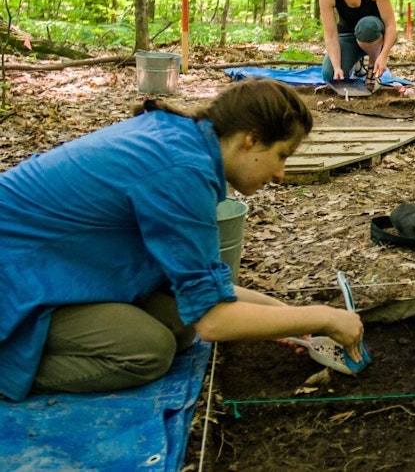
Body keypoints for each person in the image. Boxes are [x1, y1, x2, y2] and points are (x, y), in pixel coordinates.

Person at [0, 78, 364, 402]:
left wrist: (288, 317)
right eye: (281, 155)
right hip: (16, 276)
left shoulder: (185, 139)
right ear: (250, 139)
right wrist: (321, 316)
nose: (282, 173)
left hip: (53, 261)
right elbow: (214, 321)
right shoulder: (182, 171)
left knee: (178, 320)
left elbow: (203, 287)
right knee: (147, 350)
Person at [318, 0, 398, 82]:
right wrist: (337, 67)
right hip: (348, 36)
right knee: (330, 75)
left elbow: (390, 24)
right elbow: (331, 35)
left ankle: (372, 65)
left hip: (375, 34)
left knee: (365, 26)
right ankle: (356, 65)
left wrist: (383, 56)